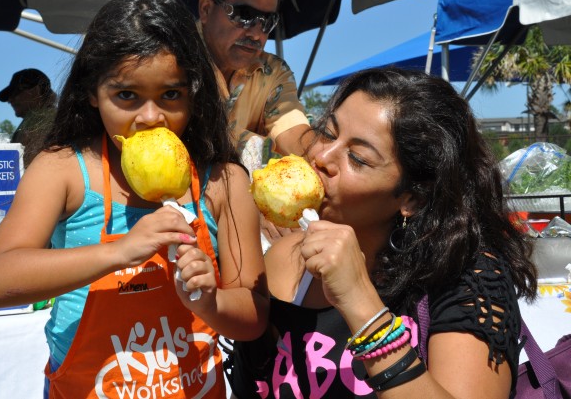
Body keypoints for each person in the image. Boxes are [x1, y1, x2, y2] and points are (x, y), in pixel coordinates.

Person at [0, 0, 268, 399]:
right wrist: (118, 252)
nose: (150, 118)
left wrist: (211, 303)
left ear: (194, 93)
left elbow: (254, 317)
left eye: (171, 95)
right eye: (126, 96)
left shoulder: (225, 182)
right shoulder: (63, 171)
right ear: (93, 93)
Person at [228, 67, 538, 398]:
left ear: (412, 198)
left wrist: (359, 301)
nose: (320, 157)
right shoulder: (285, 261)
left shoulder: (466, 277)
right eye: (329, 134)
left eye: (358, 158)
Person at [198, 0, 311, 170]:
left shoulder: (273, 72)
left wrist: (325, 156)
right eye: (244, 15)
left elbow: (292, 131)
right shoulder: (169, 59)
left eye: (268, 21)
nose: (257, 34)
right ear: (206, 9)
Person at [0, 68, 57, 166]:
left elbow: (29, 165)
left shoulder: (43, 121)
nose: (10, 100)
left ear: (36, 90)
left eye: (15, 93)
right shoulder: (49, 118)